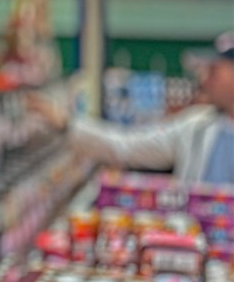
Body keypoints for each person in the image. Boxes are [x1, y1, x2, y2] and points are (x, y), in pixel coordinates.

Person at [32, 32, 234, 184]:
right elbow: (125, 146)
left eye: (215, 71)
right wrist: (67, 125)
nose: (205, 79)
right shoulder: (197, 126)